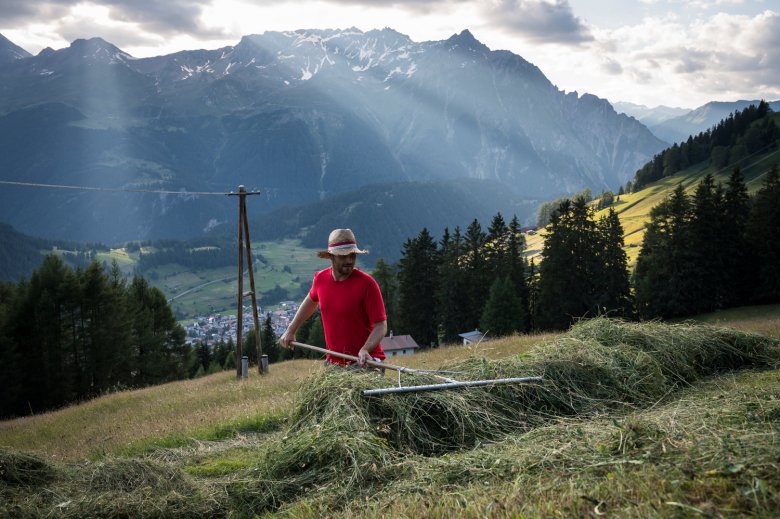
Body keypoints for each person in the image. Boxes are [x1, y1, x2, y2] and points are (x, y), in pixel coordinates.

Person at [280, 228, 387, 367]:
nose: (349, 260)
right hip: (335, 361)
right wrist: (291, 330)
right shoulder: (320, 279)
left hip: (366, 361)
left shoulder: (368, 285)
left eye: (352, 255)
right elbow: (310, 301)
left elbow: (381, 325)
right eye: (343, 256)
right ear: (331, 256)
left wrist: (365, 349)